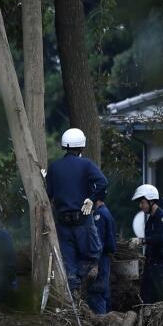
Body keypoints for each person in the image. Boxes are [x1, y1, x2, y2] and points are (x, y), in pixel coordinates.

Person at [45, 128, 108, 297]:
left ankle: (73, 289)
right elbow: (103, 182)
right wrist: (92, 198)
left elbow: (47, 194)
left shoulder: (54, 167)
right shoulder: (86, 164)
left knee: (69, 262)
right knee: (93, 254)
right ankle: (79, 280)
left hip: (63, 223)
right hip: (82, 220)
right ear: (81, 146)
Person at [131, 184, 163, 304]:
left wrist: (142, 240)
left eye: (142, 202)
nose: (140, 206)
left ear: (151, 201)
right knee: (146, 301)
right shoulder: (151, 219)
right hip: (151, 266)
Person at [87, 201, 117, 314]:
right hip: (105, 258)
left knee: (96, 292)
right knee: (105, 293)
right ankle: (108, 323)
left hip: (100, 259)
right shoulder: (107, 212)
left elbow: (97, 242)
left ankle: (101, 323)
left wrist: (94, 264)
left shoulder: (99, 215)